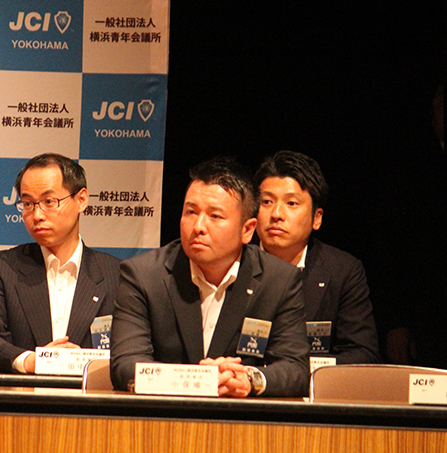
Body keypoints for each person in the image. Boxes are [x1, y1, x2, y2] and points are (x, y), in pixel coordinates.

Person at [111, 156, 309, 397]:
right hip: (165, 413)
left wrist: (247, 378)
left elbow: (295, 369)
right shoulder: (143, 275)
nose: (198, 226)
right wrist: (199, 380)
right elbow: (126, 366)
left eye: (215, 216)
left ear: (247, 230)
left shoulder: (278, 280)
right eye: (191, 212)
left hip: (242, 416)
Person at [0, 153, 121, 373]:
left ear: (81, 200)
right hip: (23, 392)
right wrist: (34, 361)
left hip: (91, 393)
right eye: (28, 204)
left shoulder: (117, 274)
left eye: (49, 202)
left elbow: (131, 351)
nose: (37, 215)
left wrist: (84, 361)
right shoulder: (0, 268)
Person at [254, 150, 380, 364]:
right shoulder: (234, 263)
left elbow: (363, 353)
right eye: (266, 201)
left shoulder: (342, 270)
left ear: (317, 218)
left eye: (291, 203)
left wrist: (298, 372)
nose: (276, 214)